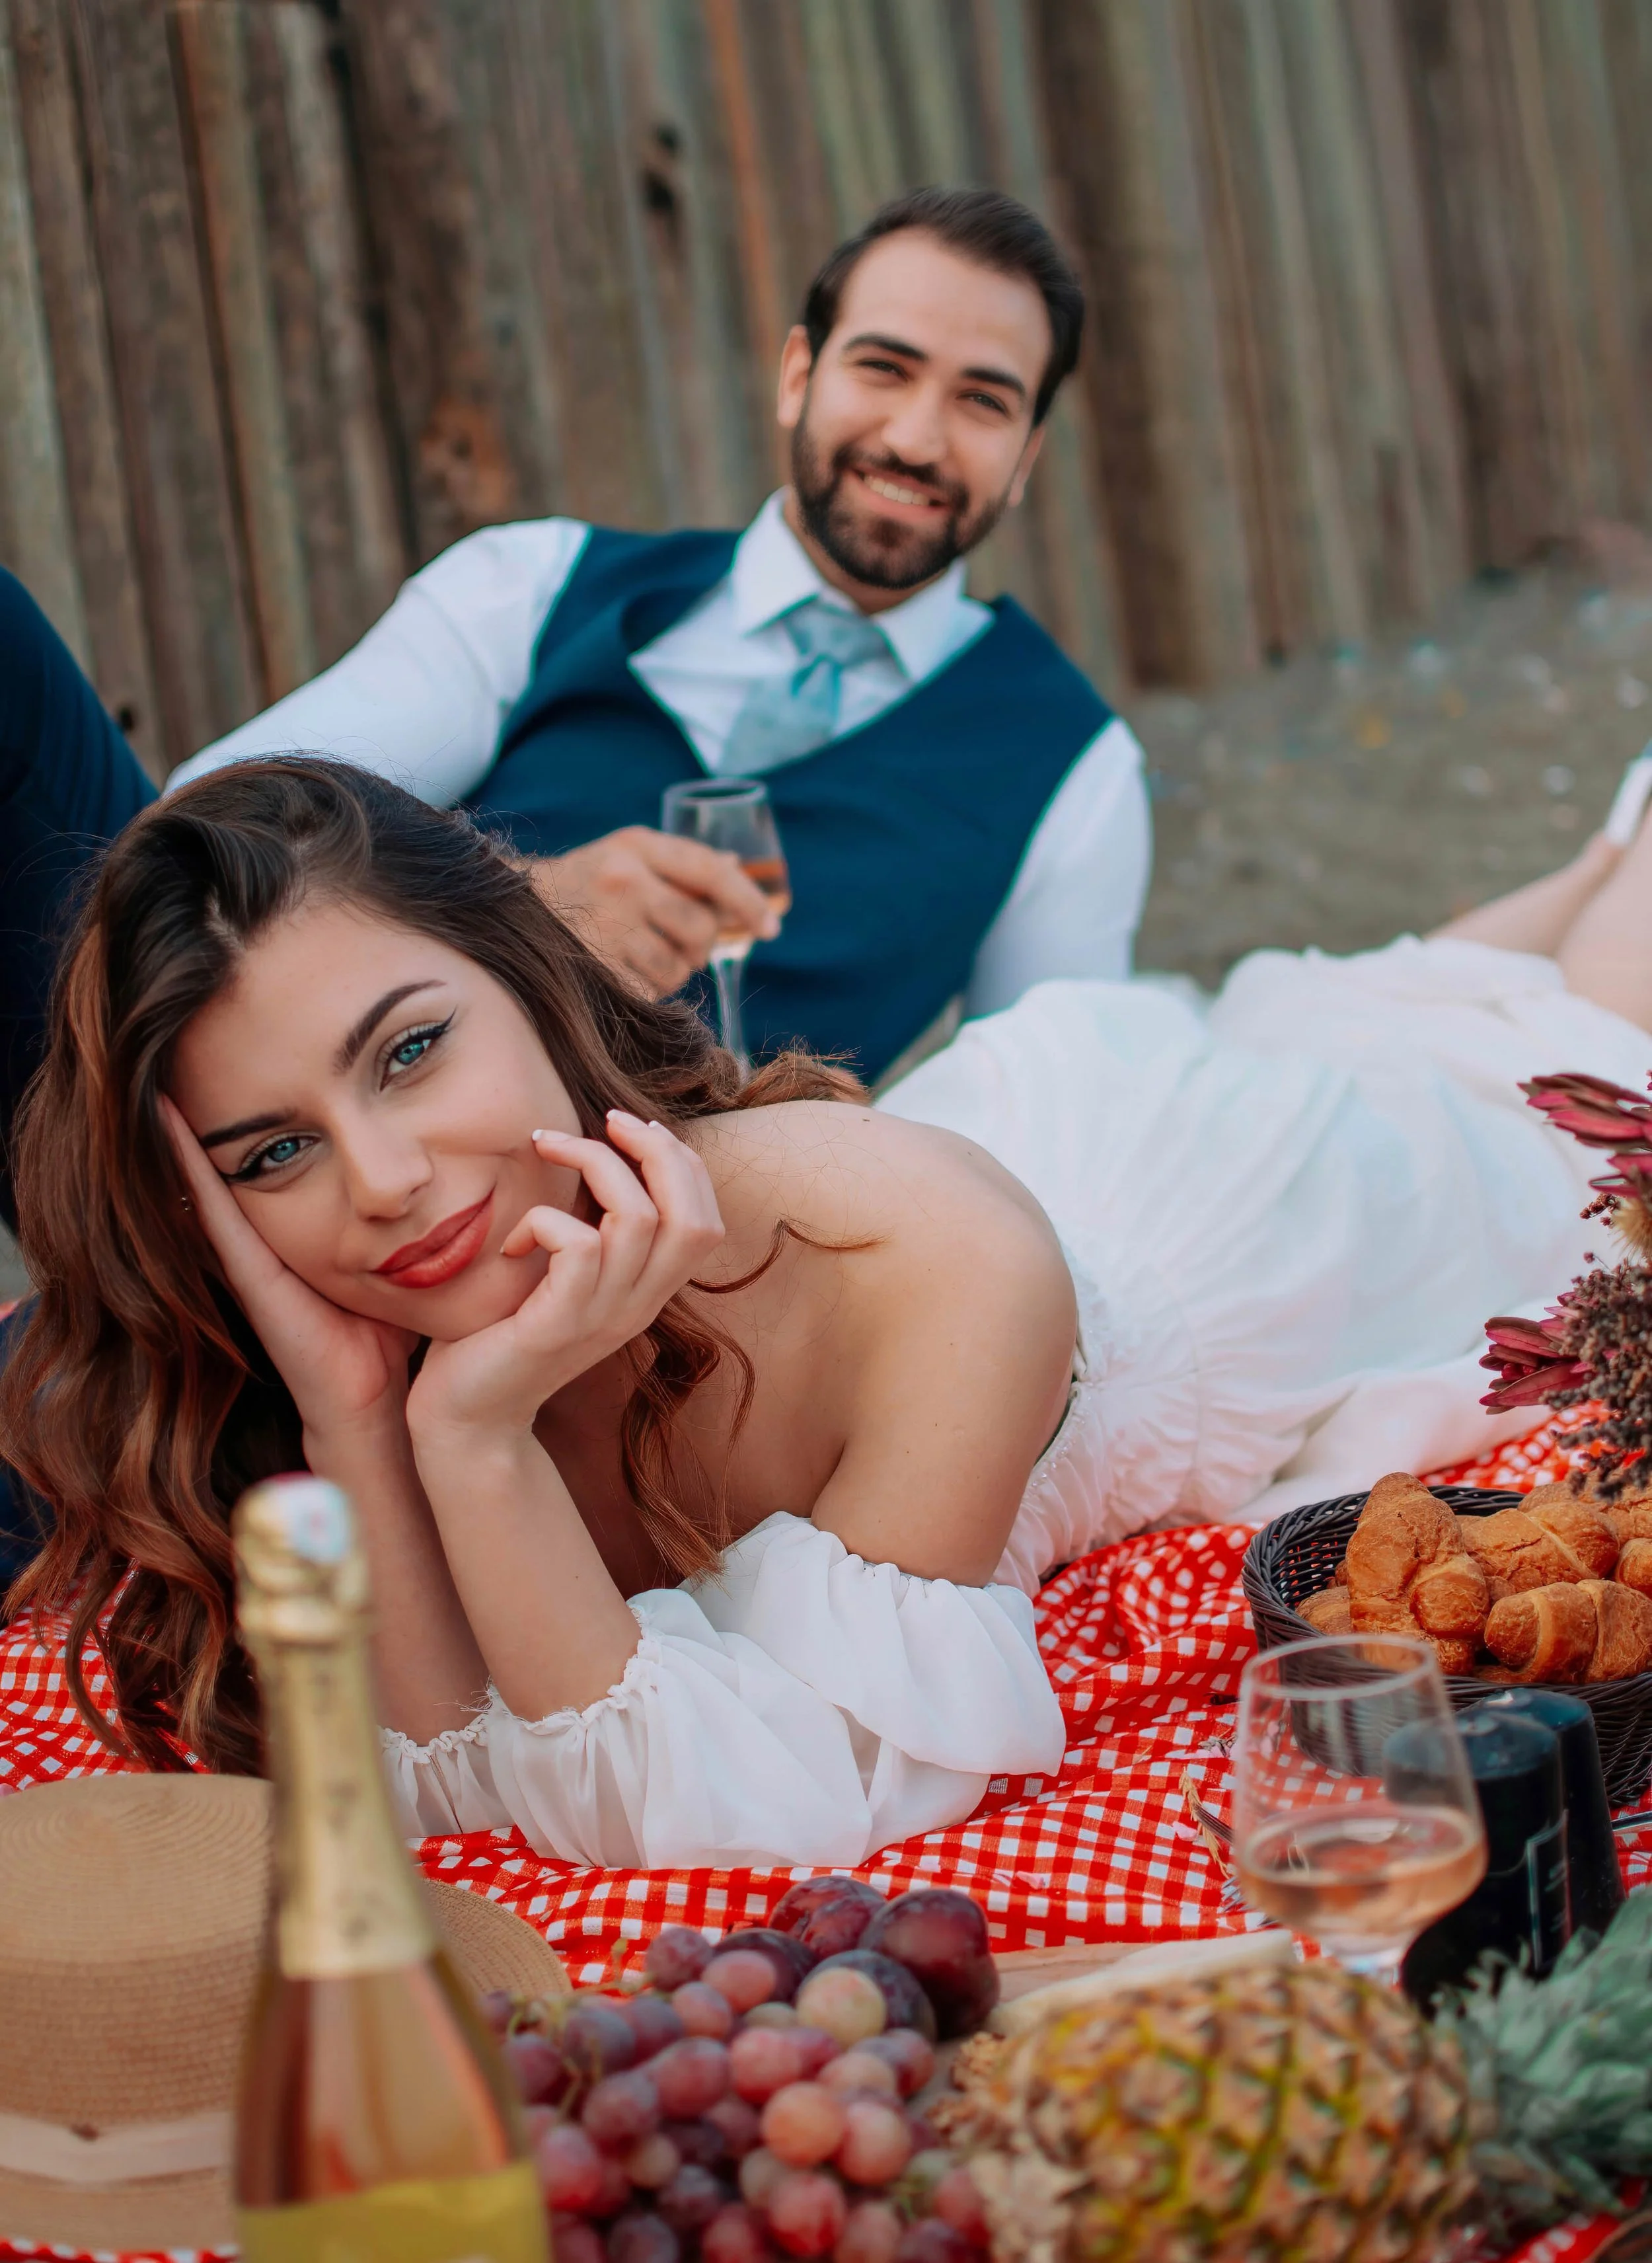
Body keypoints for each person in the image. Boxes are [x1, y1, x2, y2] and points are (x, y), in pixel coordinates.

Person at [4, 757, 1652, 1872]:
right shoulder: (370, 1357)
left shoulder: (914, 1257)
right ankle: (1583, 859)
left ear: (525, 974)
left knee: (1546, 1055)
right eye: (272, 1151)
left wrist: (473, 1447)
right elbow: (452, 1788)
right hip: (1028, 1139)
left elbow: (778, 1809)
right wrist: (380, 1422)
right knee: (1373, 992)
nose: (379, 1181)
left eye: (411, 1049)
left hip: (1252, 1221)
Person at [165, 186, 1149, 1085]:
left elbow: (1046, 1113)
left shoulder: (1076, 769)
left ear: (1026, 458)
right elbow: (208, 828)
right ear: (798, 376)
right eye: (884, 368)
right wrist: (520, 899)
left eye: (983, 401)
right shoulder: (533, 585)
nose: (916, 439)